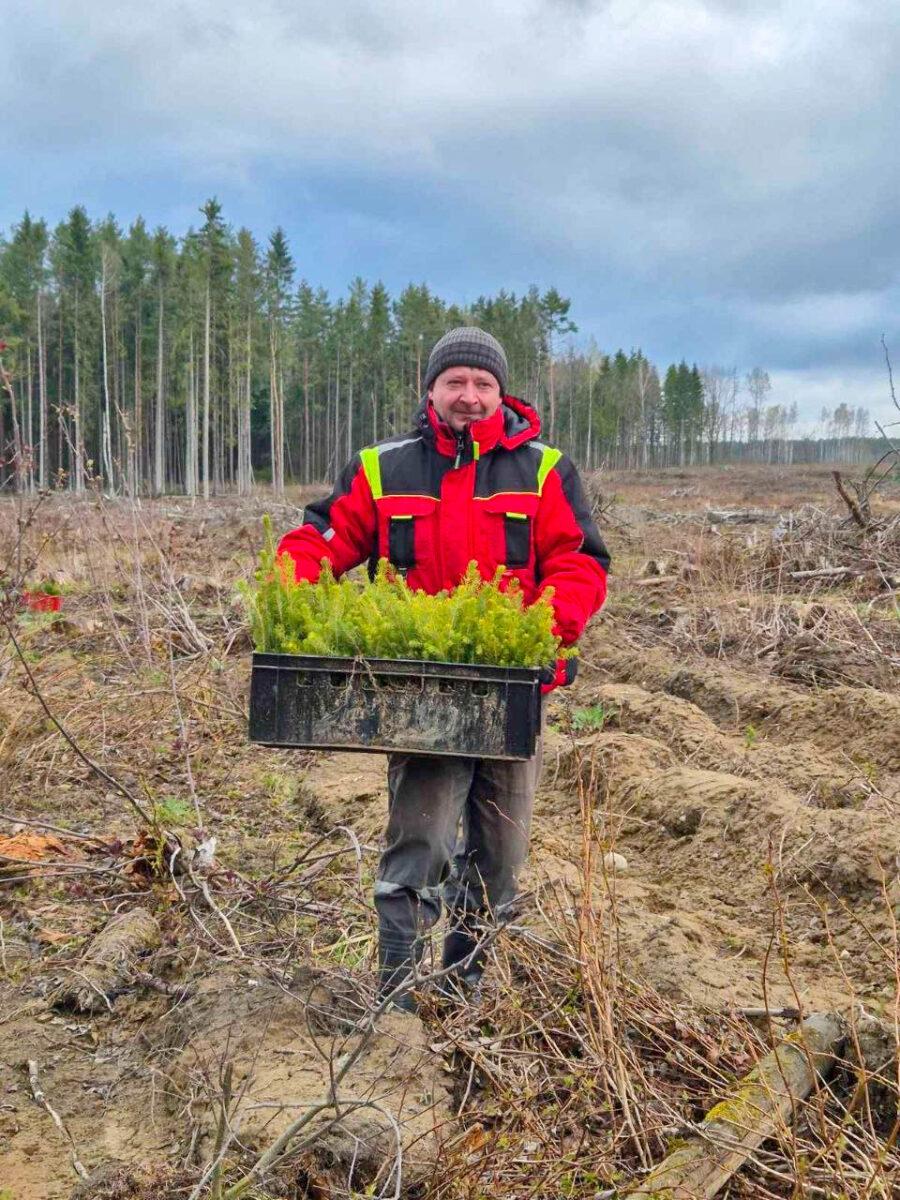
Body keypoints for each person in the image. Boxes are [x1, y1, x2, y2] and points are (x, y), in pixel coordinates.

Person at [277, 327, 610, 1011]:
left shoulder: (546, 472)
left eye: (482, 383)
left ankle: (465, 992)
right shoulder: (385, 468)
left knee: (501, 856)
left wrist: (545, 629)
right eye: (455, 381)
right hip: (422, 695)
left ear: (502, 393)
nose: (469, 395)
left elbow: (580, 563)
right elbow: (325, 539)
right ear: (431, 389)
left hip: (513, 696)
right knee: (420, 844)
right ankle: (395, 1001)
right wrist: (286, 590)